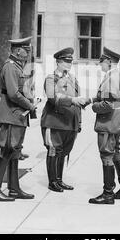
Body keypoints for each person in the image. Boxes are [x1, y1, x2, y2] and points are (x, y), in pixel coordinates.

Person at [0, 37, 36, 202]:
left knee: (14, 151)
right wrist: (29, 105)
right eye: (26, 50)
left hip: (16, 115)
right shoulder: (10, 67)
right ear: (17, 50)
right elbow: (13, 93)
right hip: (10, 114)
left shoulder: (17, 66)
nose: (28, 53)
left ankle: (14, 189)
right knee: (7, 151)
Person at [88, 47, 120, 205]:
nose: (100, 65)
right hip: (117, 122)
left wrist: (94, 107)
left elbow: (108, 104)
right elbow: (113, 99)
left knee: (106, 155)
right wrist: (93, 99)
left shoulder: (111, 78)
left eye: (102, 62)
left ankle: (108, 193)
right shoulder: (118, 76)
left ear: (108, 61)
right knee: (115, 154)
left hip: (108, 123)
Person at [41, 48, 87, 193]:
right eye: (65, 62)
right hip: (55, 121)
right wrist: (73, 100)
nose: (68, 65)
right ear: (58, 62)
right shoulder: (51, 78)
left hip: (70, 123)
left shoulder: (73, 79)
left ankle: (59, 180)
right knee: (54, 150)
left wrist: (78, 122)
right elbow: (52, 97)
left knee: (64, 151)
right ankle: (52, 181)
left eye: (70, 62)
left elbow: (78, 102)